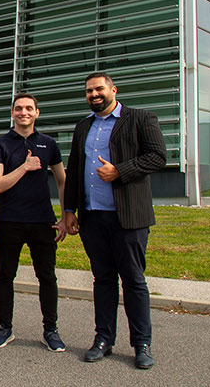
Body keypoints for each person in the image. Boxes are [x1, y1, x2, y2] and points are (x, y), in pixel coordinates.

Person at [63, 72, 166, 369]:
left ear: (113, 90)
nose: (94, 94)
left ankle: (141, 344)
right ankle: (103, 339)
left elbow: (158, 156)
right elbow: (74, 169)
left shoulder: (140, 118)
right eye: (88, 91)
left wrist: (120, 170)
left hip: (129, 217)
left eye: (99, 89)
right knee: (103, 280)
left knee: (133, 281)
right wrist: (69, 210)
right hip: (93, 218)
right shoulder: (83, 126)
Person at [0, 93, 68, 352]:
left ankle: (50, 330)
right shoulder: (0, 145)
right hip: (9, 221)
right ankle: (5, 327)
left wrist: (66, 216)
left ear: (37, 113)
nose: (24, 112)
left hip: (42, 221)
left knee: (46, 276)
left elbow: (62, 180)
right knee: (5, 276)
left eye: (29, 108)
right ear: (12, 113)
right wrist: (24, 167)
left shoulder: (48, 144)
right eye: (19, 108)